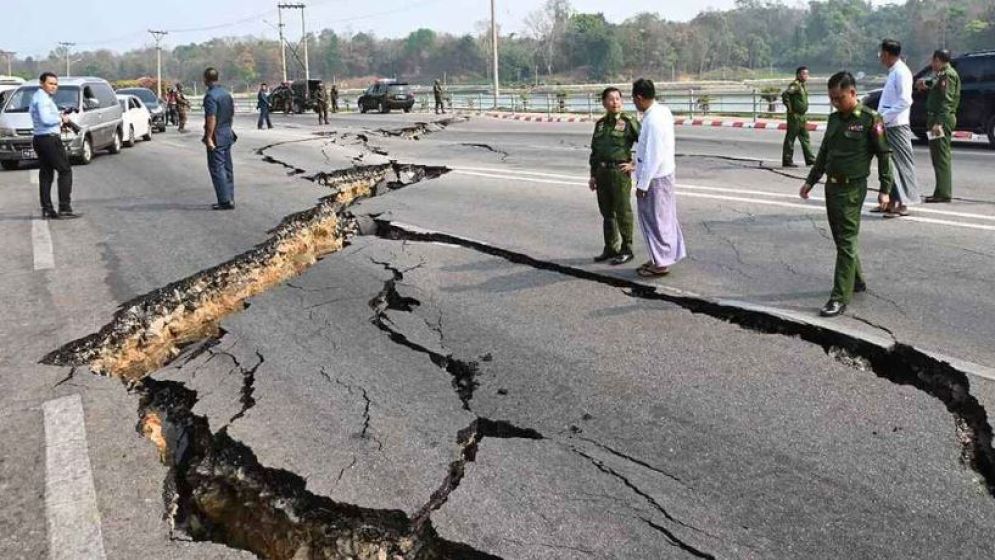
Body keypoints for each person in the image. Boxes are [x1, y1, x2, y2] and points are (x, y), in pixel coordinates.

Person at [800, 71, 893, 318]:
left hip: (852, 189)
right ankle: (857, 280)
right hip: (832, 186)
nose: (835, 103)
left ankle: (839, 297)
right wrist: (811, 181)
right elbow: (824, 153)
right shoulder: (834, 120)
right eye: (831, 98)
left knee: (847, 239)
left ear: (852, 92)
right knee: (842, 238)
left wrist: (885, 190)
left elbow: (884, 155)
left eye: (839, 98)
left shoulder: (870, 119)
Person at [631, 78, 686, 278]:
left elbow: (653, 155)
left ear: (639, 97)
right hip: (665, 174)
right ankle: (661, 256)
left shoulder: (653, 120)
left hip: (655, 178)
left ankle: (661, 263)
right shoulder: (662, 111)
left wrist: (643, 184)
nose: (634, 103)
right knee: (665, 218)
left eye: (634, 99)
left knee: (654, 221)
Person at [588, 87, 640, 265]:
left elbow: (646, 143)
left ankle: (627, 248)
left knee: (623, 210)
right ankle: (611, 248)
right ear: (604, 103)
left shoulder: (629, 122)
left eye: (618, 99)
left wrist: (635, 164)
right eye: (611, 99)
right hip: (602, 172)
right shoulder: (600, 124)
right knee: (607, 212)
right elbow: (595, 152)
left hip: (619, 172)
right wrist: (593, 175)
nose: (615, 102)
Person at [874, 38, 919, 217]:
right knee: (888, 164)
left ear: (886, 54)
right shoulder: (894, 72)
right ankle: (891, 201)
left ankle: (902, 204)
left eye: (881, 54)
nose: (880, 57)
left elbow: (905, 100)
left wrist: (884, 118)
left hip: (896, 125)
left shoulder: (901, 72)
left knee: (900, 164)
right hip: (888, 125)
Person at [30, 72, 78, 219]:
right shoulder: (43, 99)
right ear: (41, 83)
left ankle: (47, 208)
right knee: (65, 171)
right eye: (50, 83)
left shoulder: (38, 97)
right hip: (49, 139)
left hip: (40, 138)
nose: (53, 86)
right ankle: (64, 207)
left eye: (55, 84)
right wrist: (61, 119)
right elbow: (45, 119)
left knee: (46, 174)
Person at [918, 49, 961, 203]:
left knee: (941, 155)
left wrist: (939, 123)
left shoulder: (948, 75)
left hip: (940, 120)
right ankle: (939, 191)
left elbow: (947, 101)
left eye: (933, 60)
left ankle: (943, 193)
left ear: (938, 60)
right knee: (936, 154)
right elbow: (936, 86)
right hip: (935, 119)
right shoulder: (942, 74)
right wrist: (926, 84)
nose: (932, 64)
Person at [201, 67, 237, 210]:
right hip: (227, 132)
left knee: (217, 168)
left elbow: (211, 118)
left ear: (205, 79)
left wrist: (209, 137)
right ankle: (230, 197)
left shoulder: (211, 96)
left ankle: (224, 200)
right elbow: (231, 114)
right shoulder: (226, 94)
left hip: (217, 135)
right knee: (227, 167)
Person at [782, 66, 815, 168]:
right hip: (795, 116)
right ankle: (787, 160)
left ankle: (810, 160)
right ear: (798, 75)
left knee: (805, 137)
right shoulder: (795, 85)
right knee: (791, 138)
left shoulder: (802, 86)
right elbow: (785, 94)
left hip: (802, 116)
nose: (806, 76)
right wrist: (790, 109)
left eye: (807, 74)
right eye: (803, 74)